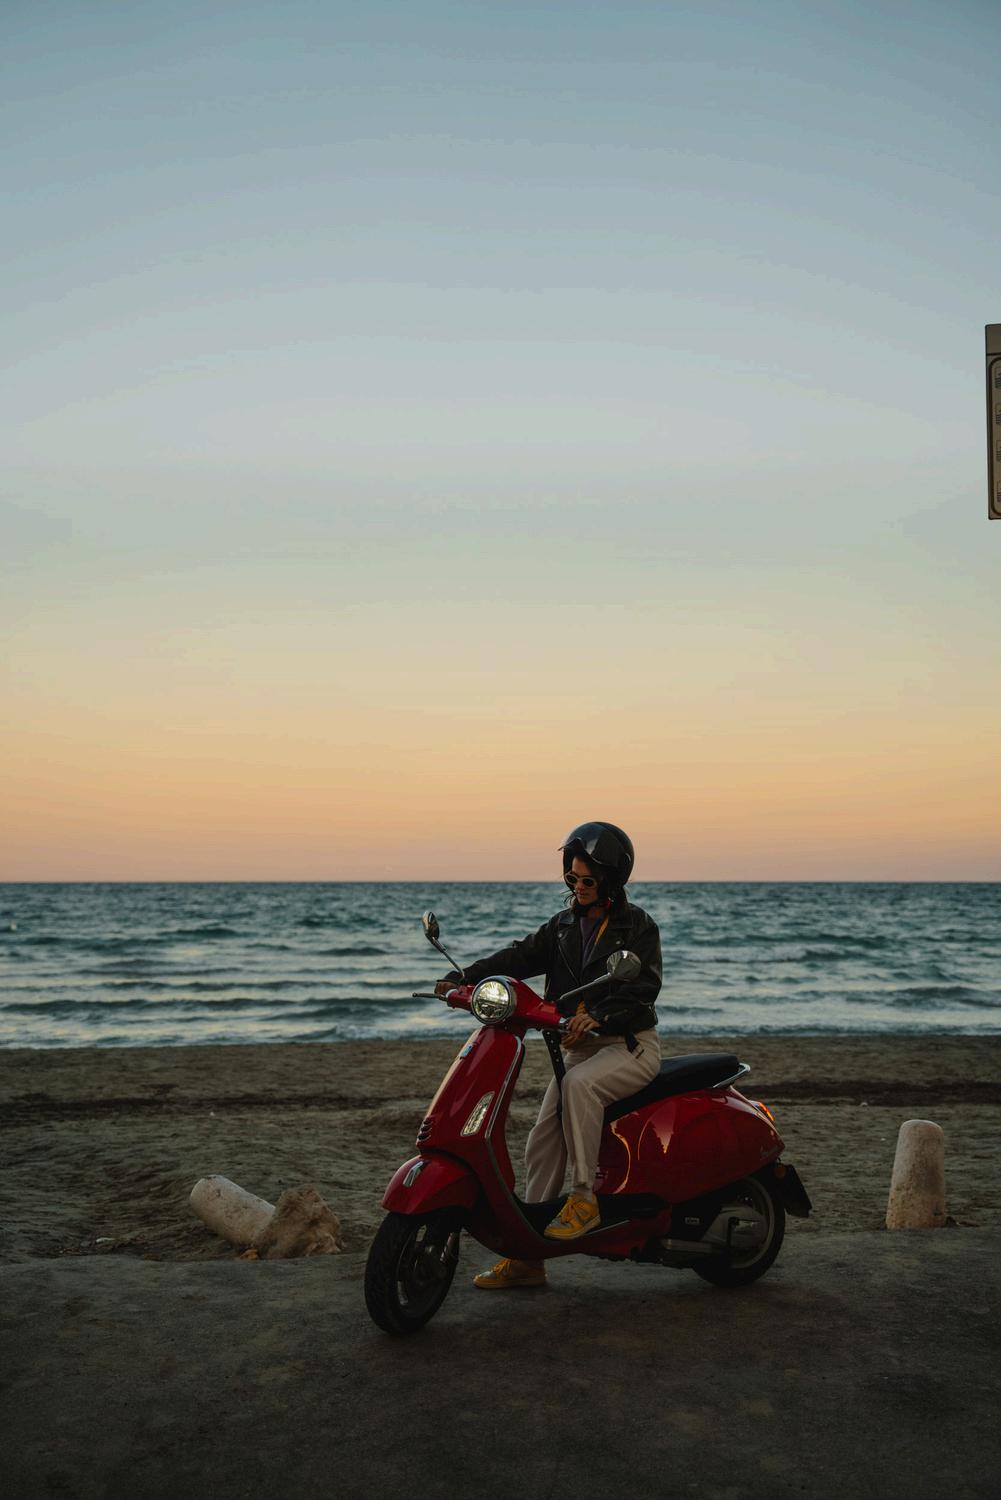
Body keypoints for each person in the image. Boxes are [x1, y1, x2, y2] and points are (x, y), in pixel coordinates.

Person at [434, 821, 662, 1290]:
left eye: (588, 879)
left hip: (629, 1047)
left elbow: (643, 987)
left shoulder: (637, 926)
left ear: (611, 879)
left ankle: (584, 1198)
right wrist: (465, 978)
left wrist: (598, 1016)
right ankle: (527, 1258)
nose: (578, 887)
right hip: (578, 1053)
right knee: (542, 1140)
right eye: (572, 878)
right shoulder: (562, 927)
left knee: (578, 1087)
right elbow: (518, 957)